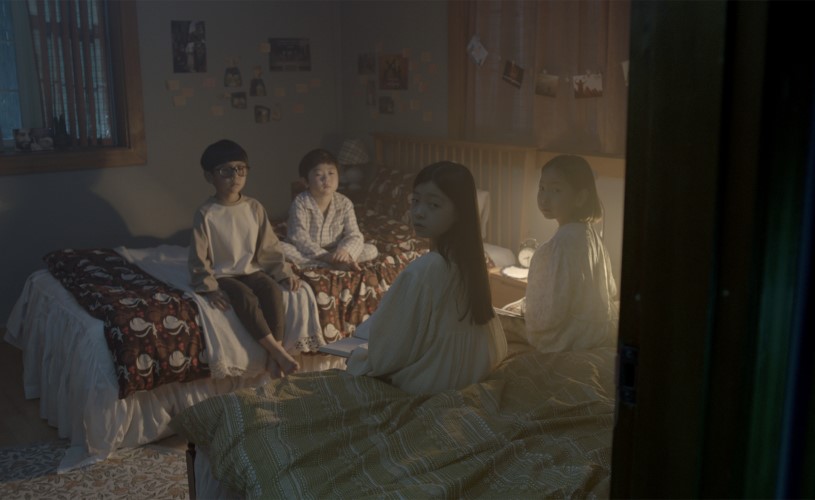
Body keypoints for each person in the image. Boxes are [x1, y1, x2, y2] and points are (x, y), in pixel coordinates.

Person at [346, 161, 507, 394]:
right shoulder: (471, 263)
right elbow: (496, 346)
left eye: (433, 204)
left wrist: (360, 358)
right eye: (415, 201)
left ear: (459, 213)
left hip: (432, 382)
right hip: (470, 375)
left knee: (355, 359)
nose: (418, 212)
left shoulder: (423, 271)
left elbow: (387, 353)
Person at [188, 139, 300, 377]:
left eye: (241, 169)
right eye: (226, 171)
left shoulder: (254, 207)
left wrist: (283, 273)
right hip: (224, 273)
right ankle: (277, 352)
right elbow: (198, 258)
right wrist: (207, 286)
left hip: (251, 269)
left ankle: (274, 355)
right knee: (243, 296)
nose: (235, 176)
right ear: (210, 176)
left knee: (271, 289)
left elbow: (269, 247)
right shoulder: (206, 213)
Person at [509, 154, 618, 353]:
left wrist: (525, 310)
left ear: (580, 197)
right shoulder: (590, 234)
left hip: (569, 339)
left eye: (556, 190)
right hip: (597, 330)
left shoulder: (559, 245)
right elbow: (609, 289)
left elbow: (547, 316)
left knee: (498, 320)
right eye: (542, 188)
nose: (544, 198)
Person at [282, 148, 378, 270]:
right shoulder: (300, 202)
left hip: (335, 250)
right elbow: (299, 239)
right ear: (305, 181)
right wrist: (327, 257)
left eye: (331, 173)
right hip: (308, 251)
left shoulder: (344, 203)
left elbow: (354, 234)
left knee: (371, 249)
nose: (326, 179)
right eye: (318, 175)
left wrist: (345, 251)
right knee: (279, 248)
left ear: (339, 176)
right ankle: (331, 265)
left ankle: (336, 262)